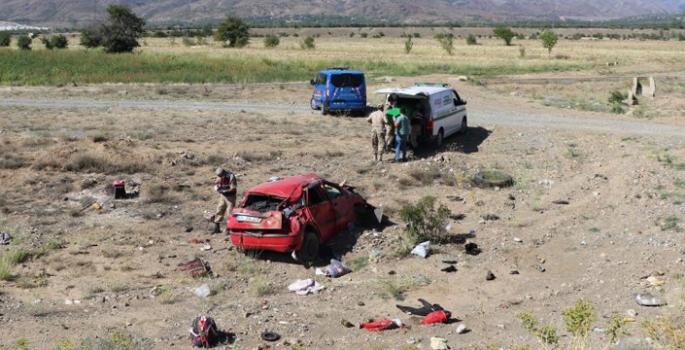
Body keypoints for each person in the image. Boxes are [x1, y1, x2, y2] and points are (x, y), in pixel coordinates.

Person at [212, 167, 237, 234]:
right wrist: (217, 186)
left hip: (230, 197)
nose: (219, 177)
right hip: (223, 196)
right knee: (219, 209)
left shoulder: (230, 176)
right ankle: (216, 227)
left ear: (224, 173)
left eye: (220, 176)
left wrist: (224, 190)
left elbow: (233, 188)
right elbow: (217, 184)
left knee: (229, 212)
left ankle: (228, 228)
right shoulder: (219, 176)